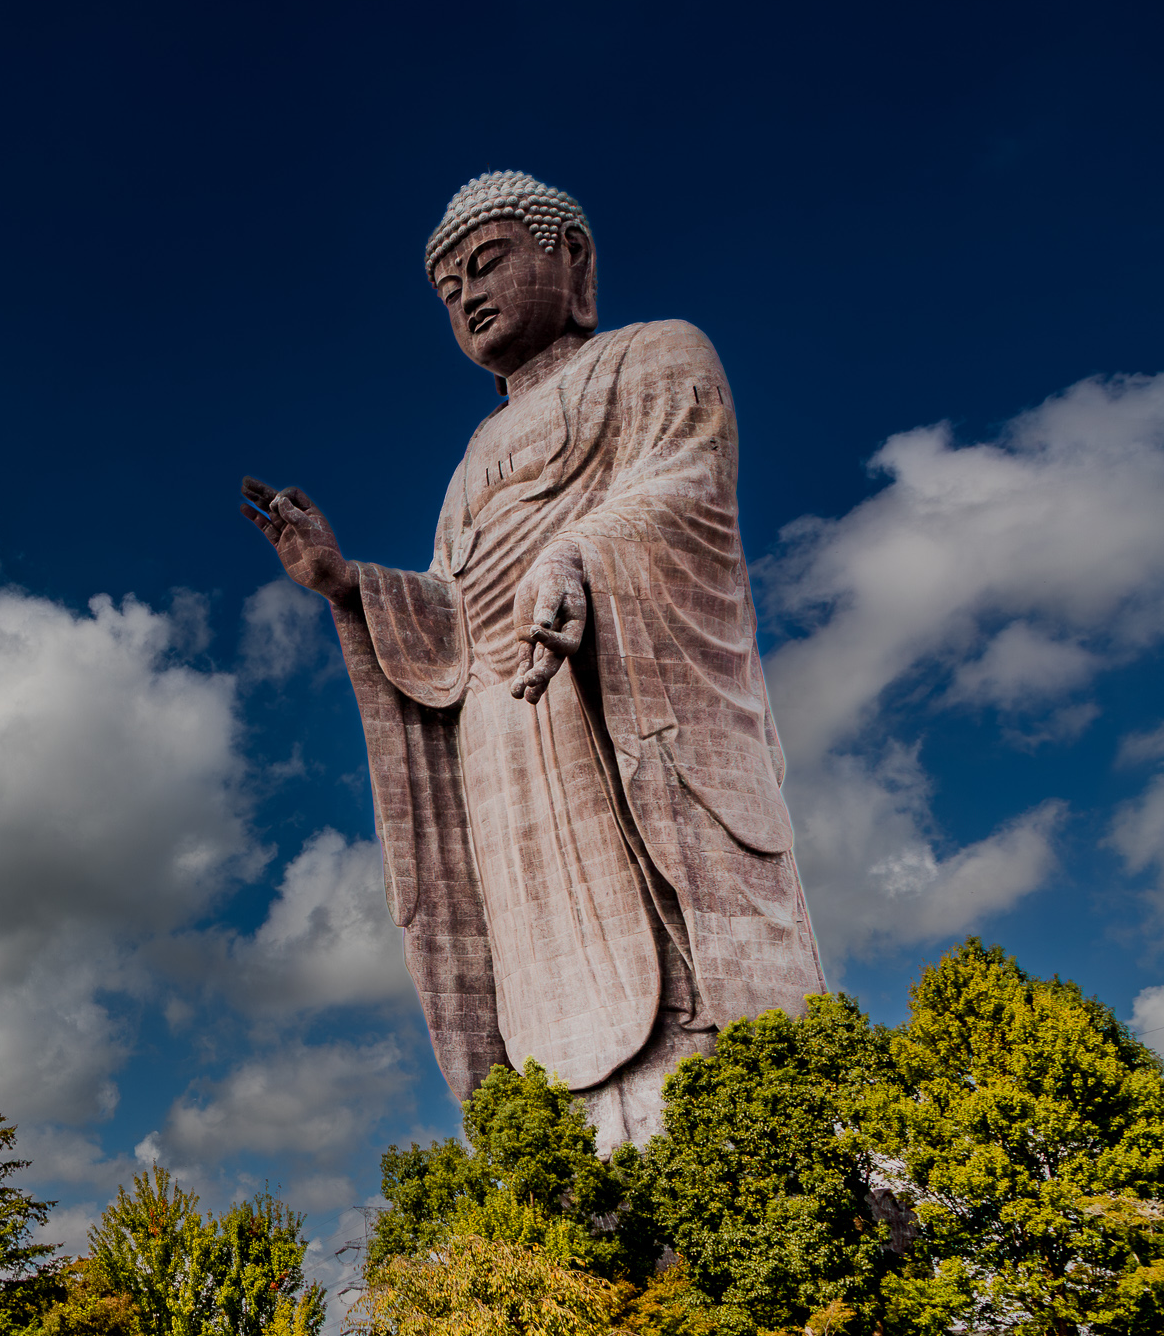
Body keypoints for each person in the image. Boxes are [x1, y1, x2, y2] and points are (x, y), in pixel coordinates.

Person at [244, 171, 824, 1148]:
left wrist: (575, 555)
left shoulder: (655, 356)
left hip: (616, 694)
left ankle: (709, 1121)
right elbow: (449, 617)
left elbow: (683, 486)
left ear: (573, 260)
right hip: (502, 742)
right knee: (537, 959)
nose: (468, 295)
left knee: (673, 966)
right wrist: (345, 584)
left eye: (486, 263)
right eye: (448, 289)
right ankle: (577, 1148)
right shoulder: (470, 457)